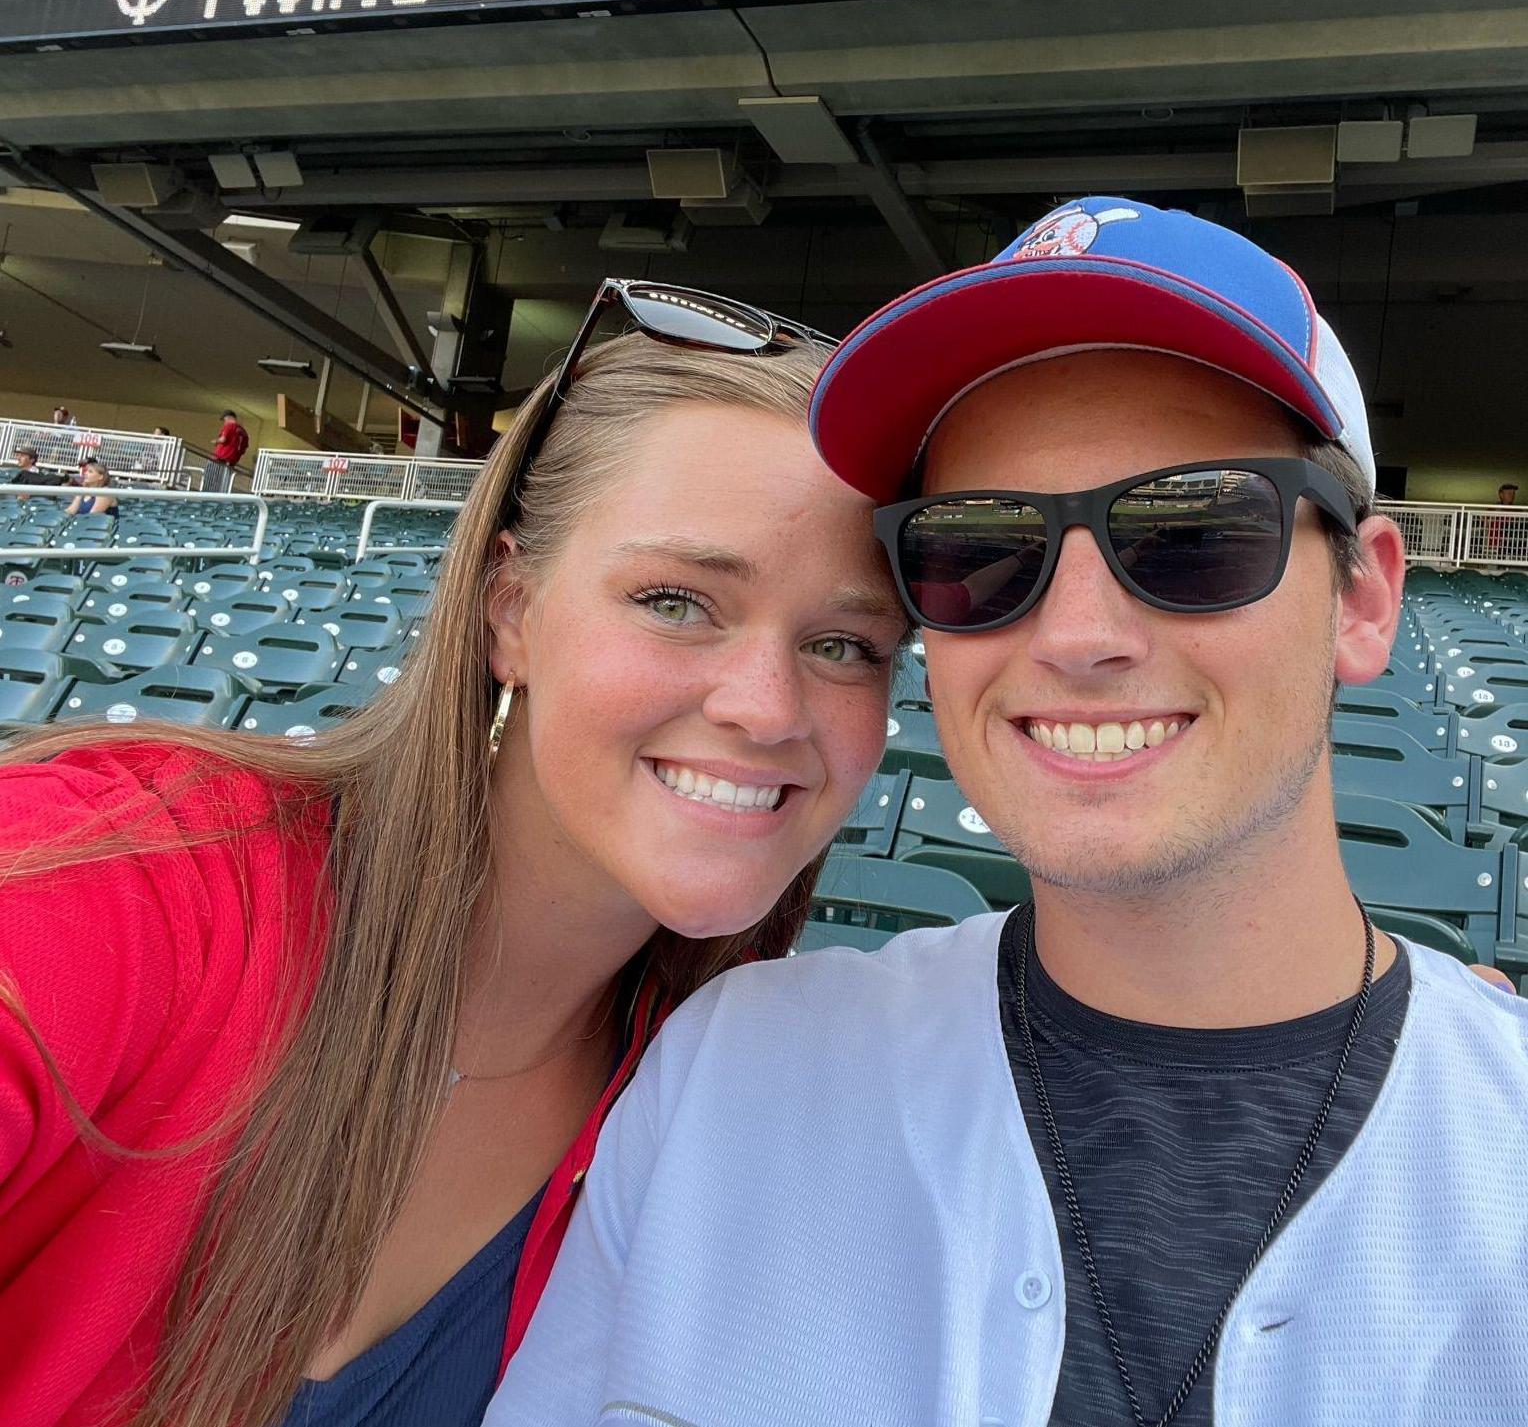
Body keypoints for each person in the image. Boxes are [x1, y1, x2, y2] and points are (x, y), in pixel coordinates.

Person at [489, 200, 1528, 1427]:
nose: (1078, 635)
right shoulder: (728, 1070)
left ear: (1364, 597)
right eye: (978, 552)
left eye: (1192, 532)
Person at [0, 302, 908, 1427]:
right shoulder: (128, 874)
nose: (769, 708)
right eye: (676, 602)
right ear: (510, 608)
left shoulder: (709, 1105)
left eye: (843, 645)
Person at [202, 409, 249, 492]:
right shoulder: (244, 432)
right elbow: (244, 448)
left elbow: (223, 439)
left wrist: (216, 441)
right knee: (223, 483)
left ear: (228, 417)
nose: (224, 422)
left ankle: (206, 492)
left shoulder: (229, 426)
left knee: (209, 478)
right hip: (231, 461)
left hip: (220, 458)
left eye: (224, 420)